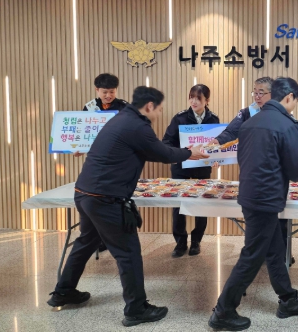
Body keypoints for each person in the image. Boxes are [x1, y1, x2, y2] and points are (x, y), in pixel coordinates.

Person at [47, 86, 208, 327]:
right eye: (159, 109)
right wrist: (189, 152)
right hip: (105, 198)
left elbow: (153, 152)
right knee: (128, 251)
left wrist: (185, 153)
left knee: (86, 241)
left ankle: (64, 291)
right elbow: (162, 153)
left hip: (85, 193)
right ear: (150, 106)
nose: (159, 114)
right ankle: (136, 309)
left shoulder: (121, 119)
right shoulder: (137, 125)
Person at [208, 78, 298, 331]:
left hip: (251, 195)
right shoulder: (286, 124)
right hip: (266, 198)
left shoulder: (250, 122)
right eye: (295, 101)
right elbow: (296, 171)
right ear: (289, 97)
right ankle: (223, 311)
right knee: (252, 255)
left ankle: (288, 299)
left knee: (275, 249)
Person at [163, 84, 219, 258]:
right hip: (181, 167)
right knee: (179, 205)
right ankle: (180, 242)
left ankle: (196, 241)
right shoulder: (179, 118)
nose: (193, 101)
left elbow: (217, 145)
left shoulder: (213, 119)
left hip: (202, 168)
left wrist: (217, 158)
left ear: (207, 100)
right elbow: (166, 142)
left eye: (198, 98)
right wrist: (182, 153)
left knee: (201, 204)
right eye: (191, 97)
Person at [78, 73, 128, 252]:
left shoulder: (124, 107)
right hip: (97, 162)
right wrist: (79, 147)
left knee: (115, 201)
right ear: (97, 90)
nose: (108, 95)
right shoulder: (89, 108)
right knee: (96, 200)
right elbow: (84, 133)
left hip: (118, 161)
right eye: (105, 92)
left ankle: (115, 239)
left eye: (112, 92)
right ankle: (97, 239)